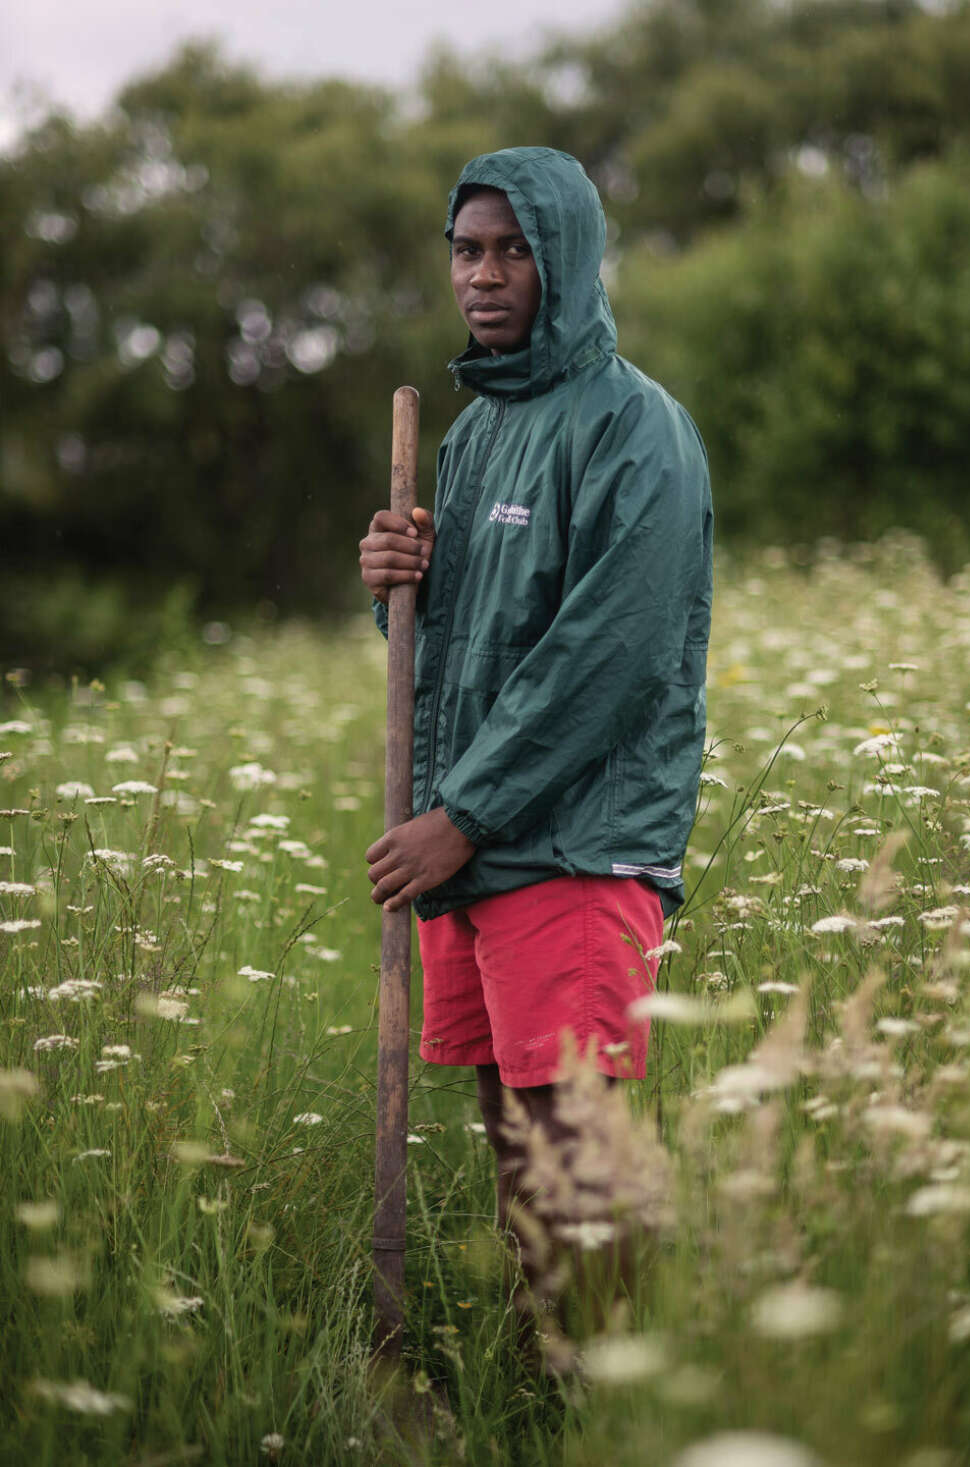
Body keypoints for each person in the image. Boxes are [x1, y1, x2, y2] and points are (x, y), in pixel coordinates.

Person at [358, 146, 712, 1319]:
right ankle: (547, 1389)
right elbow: (458, 643)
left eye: (514, 248)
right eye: (467, 249)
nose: (487, 274)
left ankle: (608, 1394)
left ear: (566, 256)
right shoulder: (472, 433)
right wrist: (394, 582)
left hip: (571, 844)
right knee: (517, 1144)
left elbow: (607, 658)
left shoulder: (632, 429)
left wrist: (460, 817)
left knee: (573, 1152)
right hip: (483, 842)